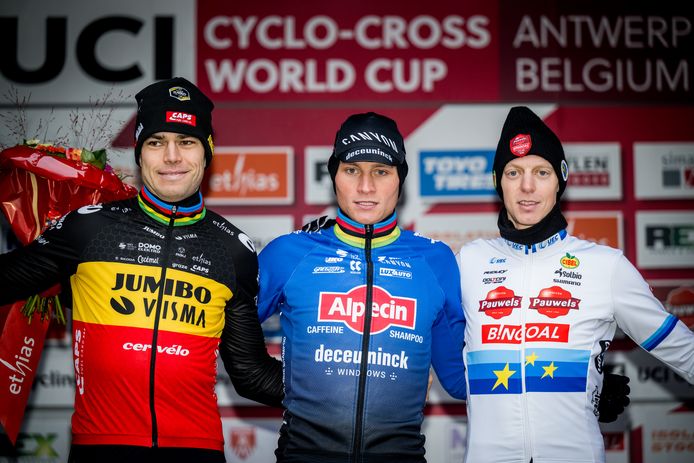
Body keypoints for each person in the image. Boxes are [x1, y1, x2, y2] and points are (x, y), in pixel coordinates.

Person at [0, 77, 283, 462]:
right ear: (139, 152)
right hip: (98, 448)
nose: (171, 157)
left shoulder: (232, 249)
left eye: (186, 142)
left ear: (207, 152)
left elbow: (251, 375)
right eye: (156, 142)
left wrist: (344, 382)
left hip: (197, 451)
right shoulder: (88, 228)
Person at [458, 106, 694, 463]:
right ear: (497, 181)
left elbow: (684, 351)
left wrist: (584, 384)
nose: (527, 186)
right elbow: (433, 354)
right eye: (513, 172)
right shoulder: (468, 262)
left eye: (541, 171)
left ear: (561, 179)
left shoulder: (605, 266)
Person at [256, 112, 468, 463]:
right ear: (334, 176)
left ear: (401, 180)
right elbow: (227, 331)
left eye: (381, 172)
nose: (366, 187)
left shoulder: (435, 260)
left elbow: (459, 380)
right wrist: (291, 386)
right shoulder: (289, 253)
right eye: (352, 170)